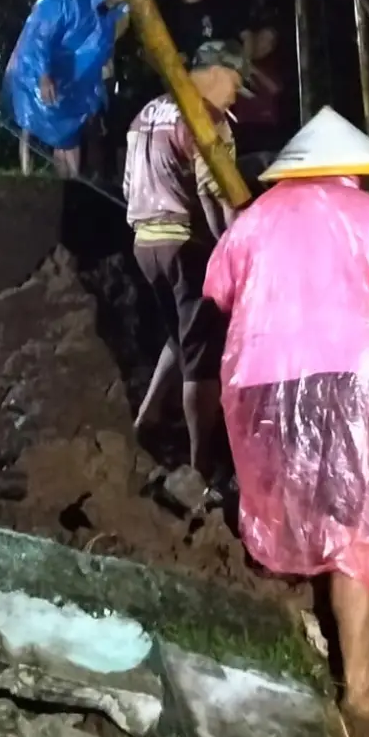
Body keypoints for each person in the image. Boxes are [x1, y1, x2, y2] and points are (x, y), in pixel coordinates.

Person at [203, 106, 369, 727]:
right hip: (343, 377)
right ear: (354, 167)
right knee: (355, 529)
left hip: (258, 380)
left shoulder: (257, 217)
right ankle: (359, 692)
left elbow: (220, 291)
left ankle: (275, 648)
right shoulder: (368, 213)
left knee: (284, 504)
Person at [125, 40, 252, 481]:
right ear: (216, 73)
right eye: (235, 84)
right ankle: (200, 465)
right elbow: (213, 192)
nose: (235, 97)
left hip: (145, 243)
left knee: (181, 336)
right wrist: (236, 248)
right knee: (203, 355)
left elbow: (127, 183)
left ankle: (147, 418)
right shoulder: (206, 118)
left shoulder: (148, 111)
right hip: (185, 244)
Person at [4, 0, 130, 179]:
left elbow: (97, 51)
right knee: (35, 125)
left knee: (70, 134)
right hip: (36, 71)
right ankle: (32, 177)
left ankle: (71, 184)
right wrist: (43, 74)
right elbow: (41, 35)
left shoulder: (102, 16)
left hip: (70, 81)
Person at [232, 18, 290, 156]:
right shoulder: (236, 58)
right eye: (263, 39)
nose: (266, 45)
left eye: (271, 43)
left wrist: (253, 70)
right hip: (242, 126)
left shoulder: (272, 65)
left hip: (265, 127)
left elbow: (276, 89)